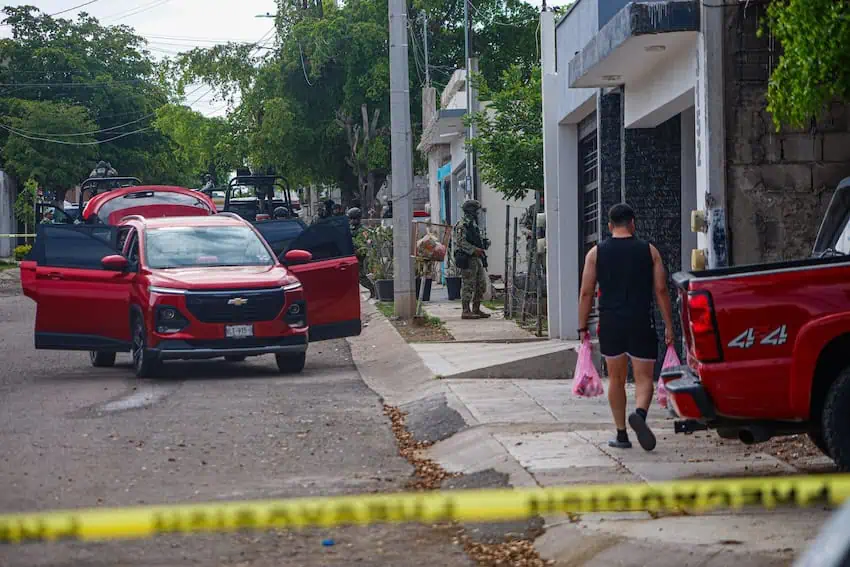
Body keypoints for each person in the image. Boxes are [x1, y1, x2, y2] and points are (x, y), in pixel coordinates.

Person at [577, 203, 674, 452]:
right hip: (641, 320)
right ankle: (639, 414)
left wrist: (582, 327)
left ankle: (621, 434)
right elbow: (661, 290)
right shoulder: (649, 251)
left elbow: (586, 292)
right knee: (644, 378)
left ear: (610, 226)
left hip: (610, 322)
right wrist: (669, 325)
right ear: (633, 223)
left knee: (616, 379)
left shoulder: (596, 253)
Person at [453, 199, 490, 319]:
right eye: (476, 211)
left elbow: (476, 239)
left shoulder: (473, 224)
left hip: (477, 258)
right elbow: (461, 242)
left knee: (481, 284)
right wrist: (474, 249)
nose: (478, 213)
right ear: (471, 211)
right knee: (468, 285)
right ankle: (466, 310)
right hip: (468, 259)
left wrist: (484, 243)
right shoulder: (462, 225)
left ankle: (476, 308)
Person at [348, 207, 376, 299]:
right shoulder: (350, 229)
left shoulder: (363, 230)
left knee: (360, 276)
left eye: (353, 219)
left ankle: (373, 290)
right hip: (350, 254)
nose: (351, 221)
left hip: (359, 254)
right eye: (351, 219)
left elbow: (367, 241)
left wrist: (361, 248)